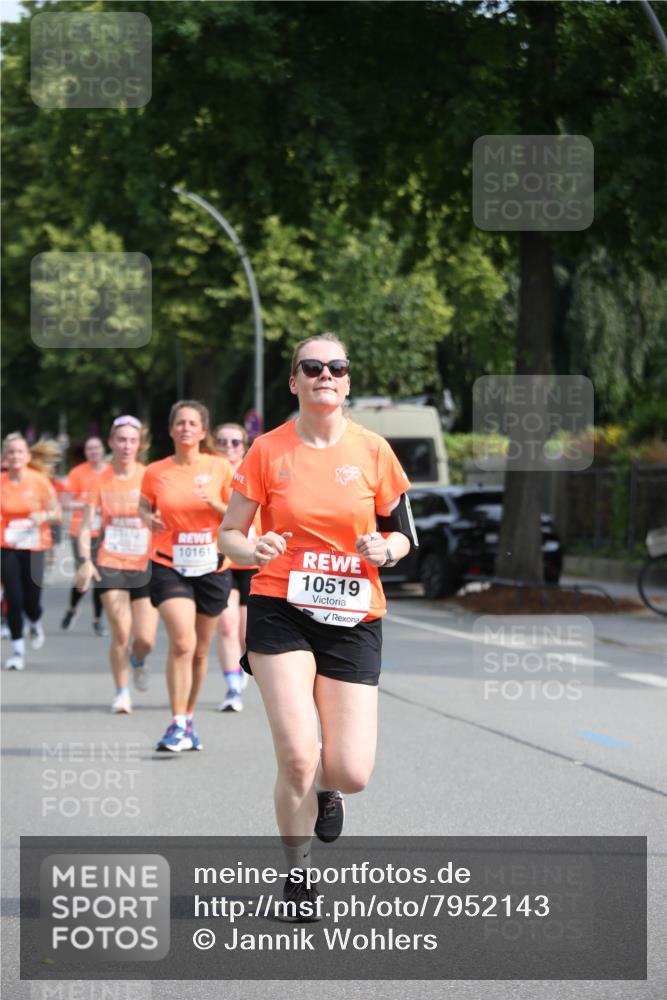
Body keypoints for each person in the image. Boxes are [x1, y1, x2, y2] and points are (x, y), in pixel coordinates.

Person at [219, 333, 416, 916]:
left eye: (336, 366)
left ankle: (329, 792)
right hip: (280, 606)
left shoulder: (374, 450)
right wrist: (253, 549)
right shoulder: (267, 450)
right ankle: (298, 877)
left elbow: (405, 533)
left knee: (350, 771)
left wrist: (386, 549)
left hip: (354, 614)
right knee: (299, 756)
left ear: (347, 381)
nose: (324, 374)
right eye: (311, 367)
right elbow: (229, 534)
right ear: (294, 382)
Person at [140, 400, 234, 752]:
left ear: (203, 431)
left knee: (200, 651)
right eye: (180, 422)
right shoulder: (156, 471)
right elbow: (143, 504)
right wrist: (146, 517)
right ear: (170, 429)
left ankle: (188, 719)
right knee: (182, 642)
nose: (185, 428)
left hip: (212, 566)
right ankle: (177, 722)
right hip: (169, 563)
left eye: (192, 423)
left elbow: (239, 515)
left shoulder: (220, 467)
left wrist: (213, 502)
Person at [75, 416, 159, 714]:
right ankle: (122, 692)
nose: (126, 446)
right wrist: (85, 561)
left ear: (140, 444)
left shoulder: (150, 476)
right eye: (121, 440)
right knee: (121, 631)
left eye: (132, 440)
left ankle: (138, 659)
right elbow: (85, 527)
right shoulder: (99, 481)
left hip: (146, 564)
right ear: (111, 442)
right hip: (110, 562)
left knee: (145, 639)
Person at [1, 433, 62, 670]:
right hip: (7, 546)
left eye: (19, 452)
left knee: (31, 602)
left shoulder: (39, 481)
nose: (15, 456)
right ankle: (17, 651)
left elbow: (57, 513)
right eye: (11, 452)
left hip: (35, 546)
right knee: (13, 599)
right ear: (5, 457)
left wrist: (43, 515)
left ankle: (35, 621)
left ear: (27, 456)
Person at [213, 422, 259, 713]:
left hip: (251, 559)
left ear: (244, 446)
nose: (228, 447)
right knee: (227, 625)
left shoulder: (255, 471)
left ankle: (242, 667)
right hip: (220, 560)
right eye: (222, 441)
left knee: (244, 632)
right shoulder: (208, 474)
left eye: (235, 442)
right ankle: (232, 688)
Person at [61, 436, 108, 635]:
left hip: (105, 532)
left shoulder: (111, 472)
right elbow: (65, 502)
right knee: (84, 573)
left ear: (103, 449)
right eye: (90, 449)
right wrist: (88, 505)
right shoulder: (77, 473)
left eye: (97, 448)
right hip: (81, 531)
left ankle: (98, 619)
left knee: (101, 576)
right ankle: (72, 609)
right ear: (85, 452)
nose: (94, 452)